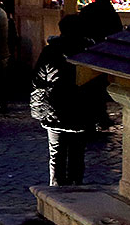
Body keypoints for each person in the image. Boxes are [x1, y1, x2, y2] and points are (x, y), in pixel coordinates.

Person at [29, 17, 98, 185]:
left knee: (56, 155)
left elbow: (38, 81)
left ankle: (56, 192)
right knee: (77, 155)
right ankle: (76, 191)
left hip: (55, 108)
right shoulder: (89, 50)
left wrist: (38, 109)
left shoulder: (50, 51)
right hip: (81, 110)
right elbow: (97, 83)